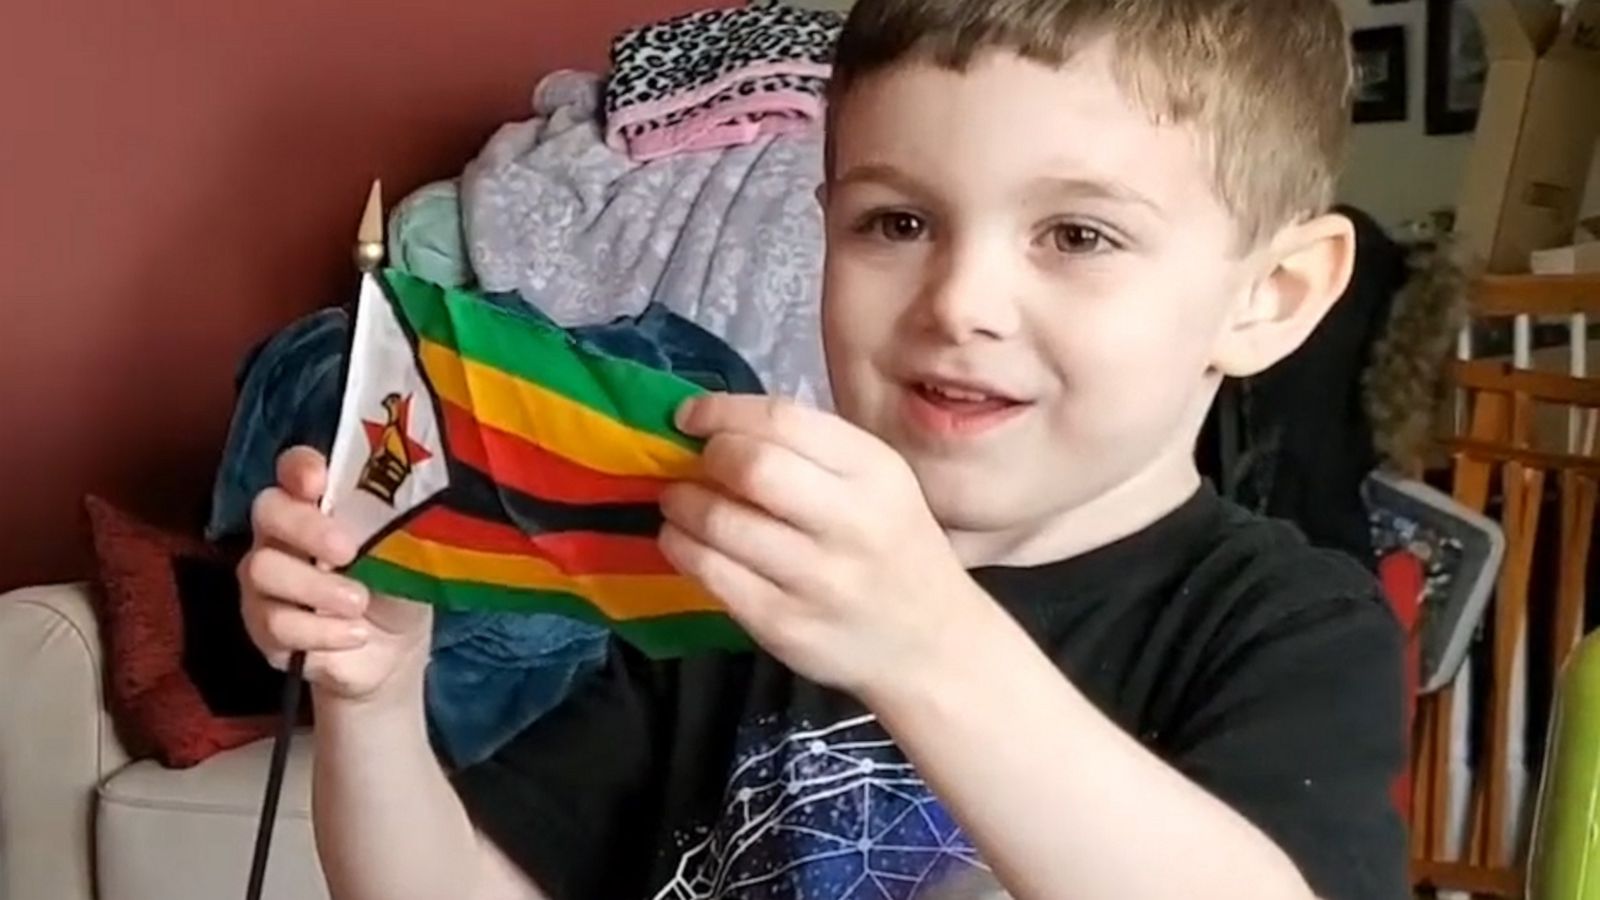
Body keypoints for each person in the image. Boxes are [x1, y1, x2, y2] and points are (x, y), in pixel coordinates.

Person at [238, 0, 1408, 897]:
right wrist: (378, 698)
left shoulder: (1285, 625)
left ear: (1270, 298)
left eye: (1077, 233)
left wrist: (924, 643)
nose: (960, 301)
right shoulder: (744, 577)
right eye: (896, 223)